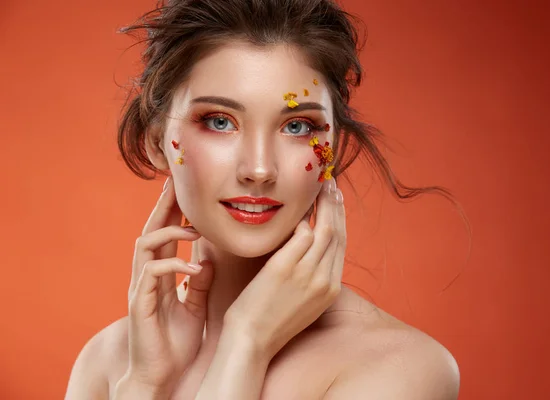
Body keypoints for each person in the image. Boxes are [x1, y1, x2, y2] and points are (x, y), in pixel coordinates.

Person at [66, 0, 461, 398]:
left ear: (332, 149)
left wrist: (246, 343)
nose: (258, 169)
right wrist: (145, 386)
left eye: (296, 125)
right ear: (156, 142)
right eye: (220, 121)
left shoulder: (401, 368)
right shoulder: (108, 362)